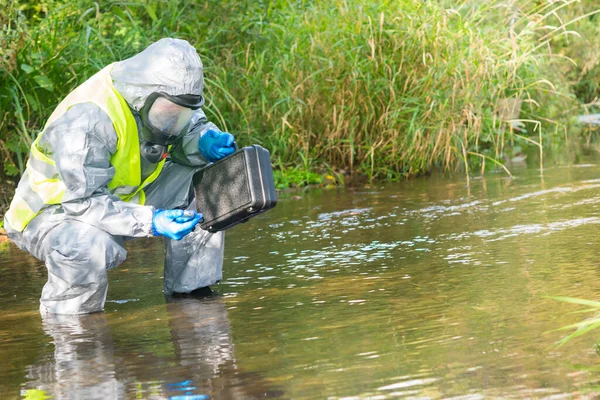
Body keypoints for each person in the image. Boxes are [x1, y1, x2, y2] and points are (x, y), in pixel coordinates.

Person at [3, 38, 236, 315]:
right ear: (145, 96)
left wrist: (202, 141)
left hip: (120, 199)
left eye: (183, 113)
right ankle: (70, 327)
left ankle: (193, 300)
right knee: (89, 244)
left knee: (207, 186)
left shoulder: (164, 93)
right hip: (53, 214)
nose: (174, 123)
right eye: (168, 114)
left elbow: (184, 127)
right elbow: (83, 202)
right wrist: (151, 221)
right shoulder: (88, 118)